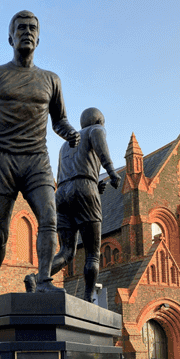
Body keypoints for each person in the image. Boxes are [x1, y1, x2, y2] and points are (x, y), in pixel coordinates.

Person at [0, 10, 80, 297]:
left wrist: (70, 133)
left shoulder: (51, 79)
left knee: (49, 219)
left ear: (39, 38)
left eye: (32, 28)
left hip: (36, 161)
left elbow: (59, 120)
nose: (27, 31)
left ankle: (43, 281)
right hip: (2, 159)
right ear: (10, 37)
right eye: (21, 27)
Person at [49, 107, 120, 303]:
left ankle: (38, 278)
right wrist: (112, 173)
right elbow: (101, 150)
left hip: (61, 194)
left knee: (66, 251)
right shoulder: (95, 130)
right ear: (98, 121)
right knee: (93, 254)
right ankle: (89, 297)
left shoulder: (65, 145)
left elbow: (68, 174)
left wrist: (95, 184)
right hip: (84, 189)